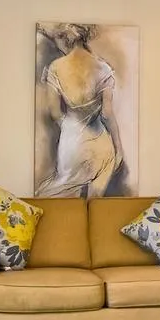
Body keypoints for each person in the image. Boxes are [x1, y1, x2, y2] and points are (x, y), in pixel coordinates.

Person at [35, 23, 126, 197]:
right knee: (94, 202)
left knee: (69, 202)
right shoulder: (103, 68)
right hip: (101, 144)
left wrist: (71, 126)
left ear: (65, 40)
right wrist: (119, 149)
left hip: (72, 144)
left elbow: (54, 111)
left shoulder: (55, 67)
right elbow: (107, 113)